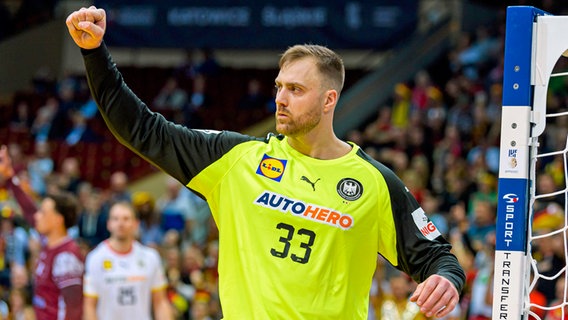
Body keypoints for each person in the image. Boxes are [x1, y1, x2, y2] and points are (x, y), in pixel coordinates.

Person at [66, 6, 465, 319]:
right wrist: (93, 53)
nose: (280, 99)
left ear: (329, 100)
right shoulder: (236, 159)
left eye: (295, 89)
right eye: (279, 87)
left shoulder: (375, 183)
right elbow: (142, 130)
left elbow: (436, 255)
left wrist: (446, 279)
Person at [0, 145, 85, 320]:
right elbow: (30, 211)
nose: (38, 216)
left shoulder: (66, 256)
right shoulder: (49, 241)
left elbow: (74, 308)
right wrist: (10, 178)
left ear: (58, 220)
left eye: (44, 212)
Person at [83, 201, 173, 320]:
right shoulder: (95, 258)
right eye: (115, 219)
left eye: (126, 219)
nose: (121, 223)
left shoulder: (150, 257)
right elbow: (89, 306)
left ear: (136, 224)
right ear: (108, 224)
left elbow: (160, 302)